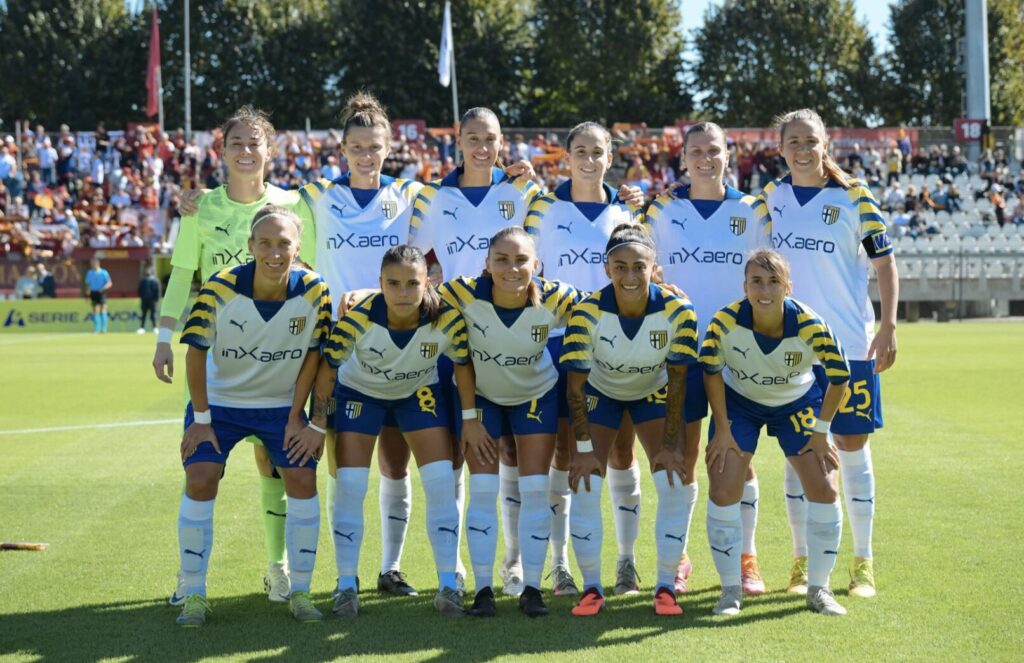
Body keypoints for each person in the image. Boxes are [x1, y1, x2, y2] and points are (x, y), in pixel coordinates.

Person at [155, 106, 306, 606]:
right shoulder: (201, 207)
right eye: (236, 143)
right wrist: (163, 337)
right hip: (218, 362)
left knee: (275, 466)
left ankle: (278, 568)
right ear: (222, 151)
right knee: (203, 469)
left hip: (278, 364)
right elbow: (182, 273)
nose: (245, 151)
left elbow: (311, 274)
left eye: (254, 143)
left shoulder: (294, 204)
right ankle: (189, 578)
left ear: (270, 151)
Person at [174, 205, 333, 627]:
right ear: (250, 246)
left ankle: (300, 592)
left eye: (283, 243)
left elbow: (315, 356)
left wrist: (299, 416)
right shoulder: (220, 286)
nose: (274, 252)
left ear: (298, 248)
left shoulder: (315, 290)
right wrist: (202, 420)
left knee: (302, 480)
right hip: (220, 405)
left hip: (279, 406)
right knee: (201, 478)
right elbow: (195, 353)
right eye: (265, 243)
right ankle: (194, 592)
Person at [762, 109, 898, 598]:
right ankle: (801, 561)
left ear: (826, 144)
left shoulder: (855, 195)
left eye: (811, 141)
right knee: (797, 452)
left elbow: (885, 265)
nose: (802, 149)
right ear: (781, 148)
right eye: (793, 142)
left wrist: (888, 325)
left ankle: (863, 562)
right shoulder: (770, 198)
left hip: (848, 344)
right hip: (791, 348)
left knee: (853, 448)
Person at [645, 121, 771, 596]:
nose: (705, 158)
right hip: (679, 353)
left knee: (737, 456)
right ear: (683, 158)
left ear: (727, 154)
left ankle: (746, 558)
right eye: (695, 151)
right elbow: (642, 267)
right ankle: (679, 558)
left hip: (738, 351)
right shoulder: (662, 209)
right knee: (684, 456)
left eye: (713, 150)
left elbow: (770, 274)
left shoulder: (751, 209)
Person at [313, 245, 472, 618]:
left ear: (427, 282)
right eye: (393, 283)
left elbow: (463, 365)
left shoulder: (446, 320)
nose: (402, 292)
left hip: (418, 393)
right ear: (379, 284)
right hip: (360, 394)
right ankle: (346, 586)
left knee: (440, 481)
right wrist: (316, 425)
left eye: (412, 283)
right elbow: (327, 370)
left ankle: (448, 585)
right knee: (351, 485)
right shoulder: (357, 319)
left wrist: (471, 420)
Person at [524, 121, 646, 598]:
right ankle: (560, 565)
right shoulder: (543, 207)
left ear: (610, 157)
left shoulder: (627, 211)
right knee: (564, 452)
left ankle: (626, 561)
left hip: (617, 344)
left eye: (598, 152)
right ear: (567, 156)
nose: (589, 160)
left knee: (621, 452)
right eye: (581, 151)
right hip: (558, 343)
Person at [438, 226, 581, 618]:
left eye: (521, 260)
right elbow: (414, 296)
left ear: (537, 265)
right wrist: (361, 295)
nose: (511, 268)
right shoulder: (461, 293)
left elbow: (608, 304)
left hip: (535, 395)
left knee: (535, 490)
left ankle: (532, 589)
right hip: (481, 398)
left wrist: (663, 290)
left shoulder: (557, 296)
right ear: (486, 264)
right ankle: (483, 589)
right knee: (484, 490)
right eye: (501, 259)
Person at [702, 249, 851, 617]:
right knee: (723, 486)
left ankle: (818, 589)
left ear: (788, 286)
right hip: (741, 403)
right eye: (757, 281)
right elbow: (711, 371)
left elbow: (840, 377)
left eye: (773, 281)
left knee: (825, 487)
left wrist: (821, 432)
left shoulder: (810, 324)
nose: (765, 290)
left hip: (797, 402)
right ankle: (730, 591)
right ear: (745, 286)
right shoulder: (724, 322)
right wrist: (722, 428)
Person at [562, 225, 699, 617]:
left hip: (653, 392)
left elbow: (677, 381)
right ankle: (591, 588)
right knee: (585, 481)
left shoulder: (679, 311)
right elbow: (575, 389)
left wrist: (670, 446)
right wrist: (584, 450)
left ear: (653, 267)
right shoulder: (586, 312)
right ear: (606, 269)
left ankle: (665, 587)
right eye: (620, 267)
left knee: (673, 478)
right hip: (600, 393)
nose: (630, 275)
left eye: (639, 266)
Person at [85, 257, 112, 333]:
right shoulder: (89, 273)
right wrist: (87, 292)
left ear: (97, 263)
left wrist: (103, 288)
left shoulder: (104, 272)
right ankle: (97, 329)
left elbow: (109, 283)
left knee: (103, 309)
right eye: (91, 263)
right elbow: (88, 284)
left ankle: (104, 329)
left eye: (93, 263)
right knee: (95, 310)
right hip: (93, 292)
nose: (91, 264)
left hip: (101, 292)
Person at [138, 264, 161, 334]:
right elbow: (139, 290)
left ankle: (155, 328)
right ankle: (142, 328)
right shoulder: (143, 280)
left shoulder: (155, 280)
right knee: (143, 315)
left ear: (152, 271)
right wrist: (142, 297)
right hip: (144, 301)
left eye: (149, 270)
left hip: (152, 301)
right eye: (146, 270)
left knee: (153, 315)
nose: (147, 271)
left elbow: (158, 290)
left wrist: (156, 299)